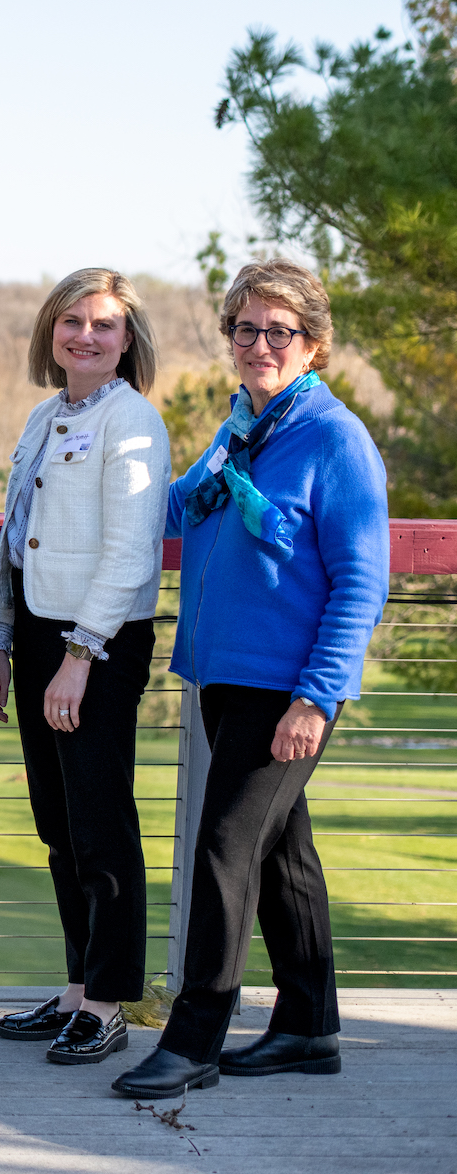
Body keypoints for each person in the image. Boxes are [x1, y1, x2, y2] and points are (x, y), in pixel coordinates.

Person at [113, 260, 388, 1098]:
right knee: (280, 856)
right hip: (226, 679)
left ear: (313, 345)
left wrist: (317, 696)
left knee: (226, 845)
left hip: (288, 686)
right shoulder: (242, 430)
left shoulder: (334, 439)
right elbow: (170, 508)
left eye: (281, 331)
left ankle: (195, 1038)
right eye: (246, 328)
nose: (261, 344)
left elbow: (360, 581)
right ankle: (308, 1025)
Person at [0, 270, 170, 1065]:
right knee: (59, 827)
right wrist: (0, 639)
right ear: (49, 332)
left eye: (103, 325)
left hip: (95, 644)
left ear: (129, 341)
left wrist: (79, 657)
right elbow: (17, 538)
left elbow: (130, 552)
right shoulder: (44, 413)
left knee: (100, 826)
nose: (85, 336)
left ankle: (109, 1000)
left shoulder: (134, 422)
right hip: (35, 634)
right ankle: (73, 989)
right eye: (71, 321)